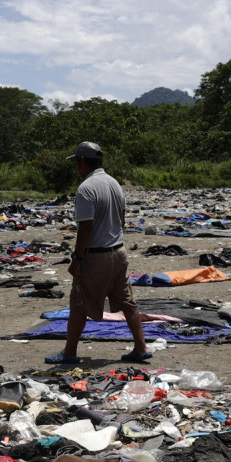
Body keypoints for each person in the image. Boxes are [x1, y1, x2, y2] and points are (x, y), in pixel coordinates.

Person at [46, 141, 152, 366]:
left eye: (76, 162)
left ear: (83, 162)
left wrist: (77, 258)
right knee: (127, 302)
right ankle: (141, 348)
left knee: (78, 302)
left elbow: (85, 228)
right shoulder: (114, 183)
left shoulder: (86, 189)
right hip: (118, 252)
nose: (76, 167)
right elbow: (121, 221)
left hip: (96, 256)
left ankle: (70, 352)